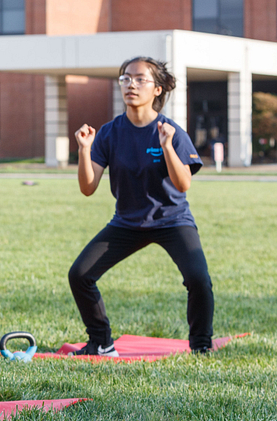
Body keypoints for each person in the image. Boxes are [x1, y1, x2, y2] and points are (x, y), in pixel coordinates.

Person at [69, 56, 214, 356]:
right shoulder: (110, 132)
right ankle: (101, 342)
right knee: (80, 274)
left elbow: (183, 184)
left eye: (139, 79)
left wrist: (166, 147)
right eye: (125, 78)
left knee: (199, 279)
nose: (130, 85)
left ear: (157, 89)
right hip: (126, 223)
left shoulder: (171, 131)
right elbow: (87, 187)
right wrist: (84, 151)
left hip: (172, 220)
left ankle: (201, 345)